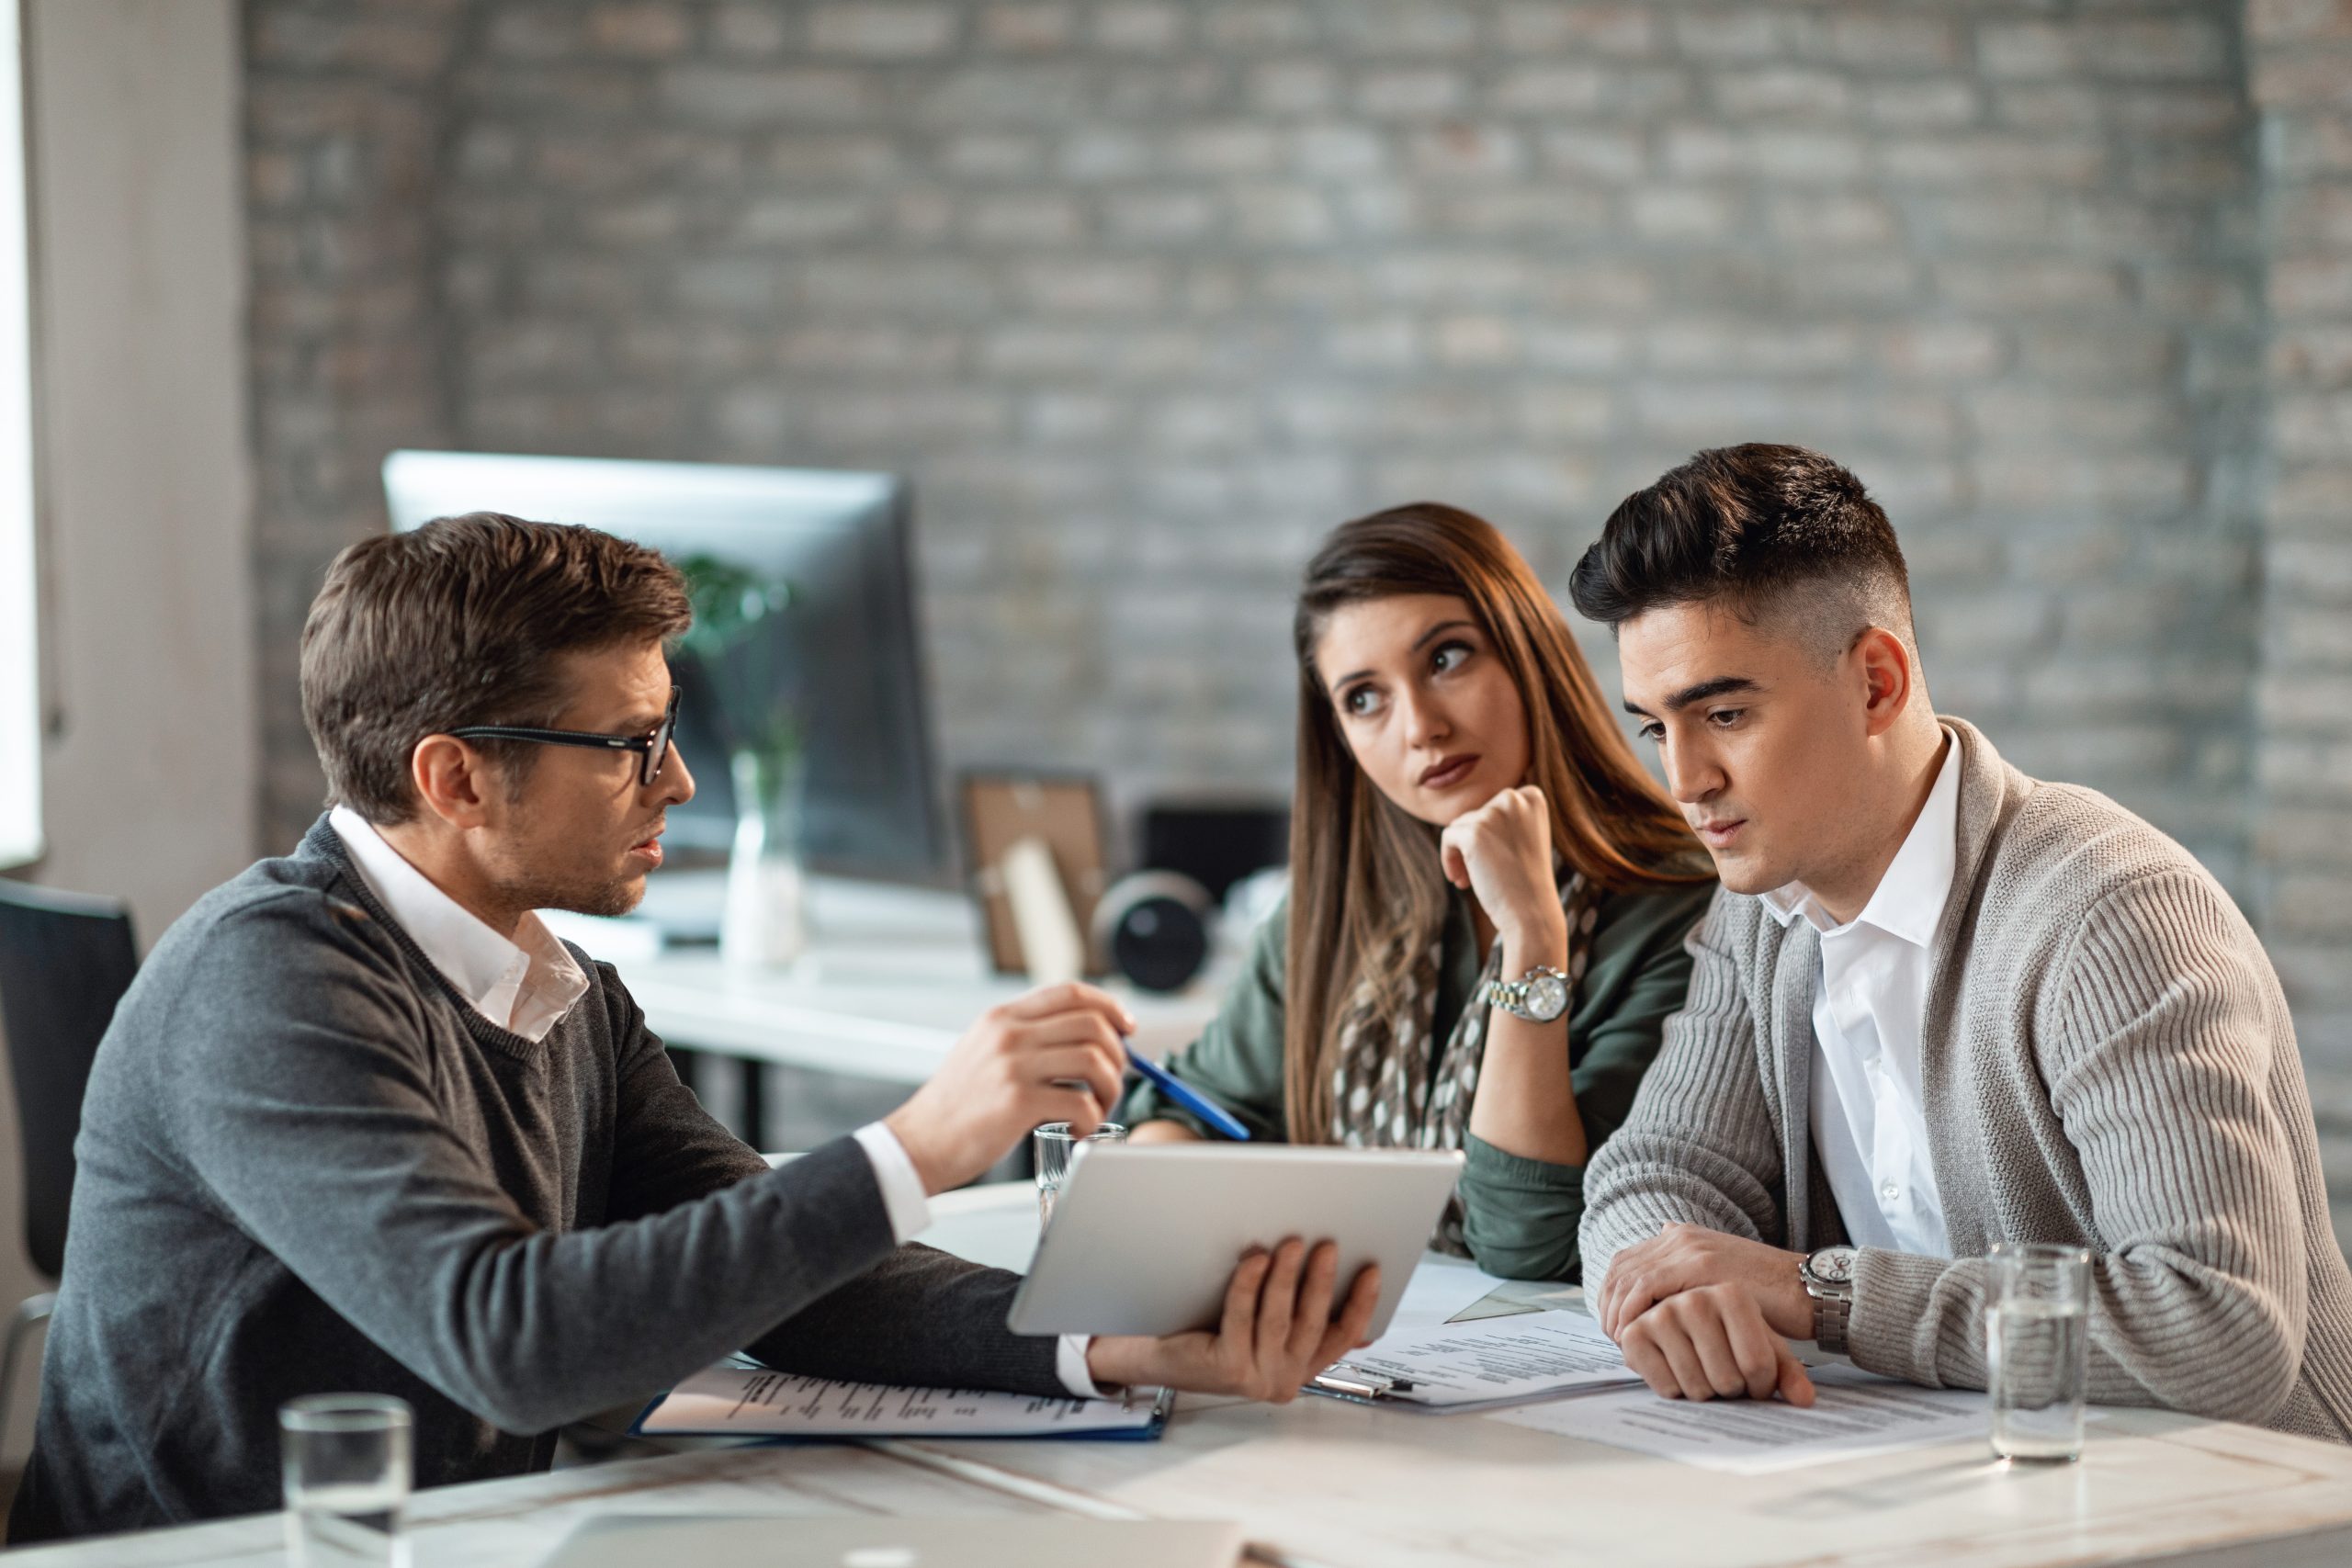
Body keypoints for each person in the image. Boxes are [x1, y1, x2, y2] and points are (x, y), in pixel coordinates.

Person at [12, 514, 1381, 1540]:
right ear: (455, 775)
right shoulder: (269, 985)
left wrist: (1117, 1341)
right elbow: (515, 1340)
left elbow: (807, 1273)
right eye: (631, 743)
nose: (675, 781)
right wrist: (920, 1138)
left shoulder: (561, 988)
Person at [1568, 444, 2352, 1440]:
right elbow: (1654, 1177)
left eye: (1723, 714)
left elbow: (2217, 1327)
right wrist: (1666, 1297)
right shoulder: (1764, 907)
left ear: (1877, 684)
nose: (1684, 780)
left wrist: (1824, 1296)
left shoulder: (2111, 914)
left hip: (2248, 1512)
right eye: (1654, 728)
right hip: (1978, 1488)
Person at [1121, 503, 1716, 1281]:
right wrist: (1165, 1192)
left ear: (1527, 653)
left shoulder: (1685, 907)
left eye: (1447, 658)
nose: (1420, 727)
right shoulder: (1329, 912)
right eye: (1364, 698)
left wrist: (1533, 939)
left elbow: (1527, 1237)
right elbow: (1180, 1111)